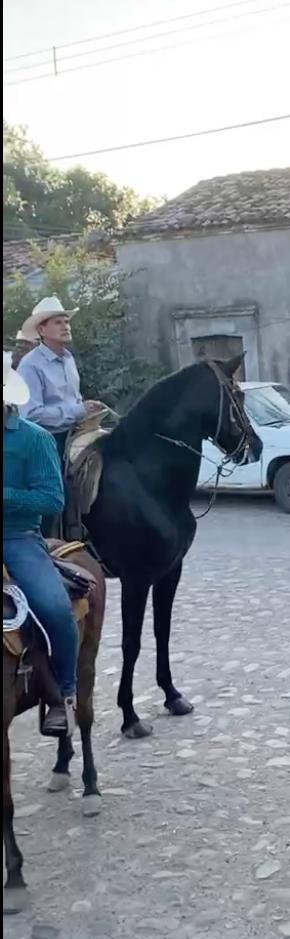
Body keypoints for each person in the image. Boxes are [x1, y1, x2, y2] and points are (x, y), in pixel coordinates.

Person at [3, 351, 79, 736]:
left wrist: (5, 496)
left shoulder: (34, 440)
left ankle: (64, 692)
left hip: (14, 536)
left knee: (54, 607)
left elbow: (52, 500)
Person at [16, 296, 103, 536]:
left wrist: (86, 408)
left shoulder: (68, 359)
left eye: (66, 321)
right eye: (58, 322)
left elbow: (71, 400)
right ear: (42, 330)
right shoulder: (30, 365)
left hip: (75, 432)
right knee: (56, 489)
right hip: (46, 440)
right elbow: (30, 413)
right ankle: (47, 539)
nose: (66, 326)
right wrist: (76, 411)